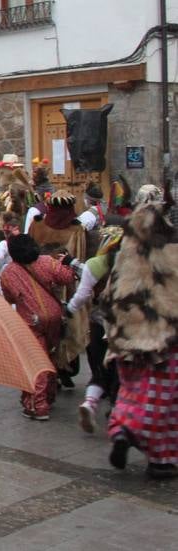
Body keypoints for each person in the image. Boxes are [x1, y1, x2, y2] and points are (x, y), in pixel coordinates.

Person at [98, 203, 178, 479]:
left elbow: (109, 300)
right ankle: (161, 458)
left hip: (128, 344)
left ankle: (122, 429)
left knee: (131, 392)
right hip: (165, 345)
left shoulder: (125, 259)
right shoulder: (171, 257)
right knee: (164, 403)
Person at [0, 234, 76, 420]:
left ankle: (38, 405)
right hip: (55, 316)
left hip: (31, 320)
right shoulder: (46, 262)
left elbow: (10, 298)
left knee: (35, 361)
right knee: (50, 356)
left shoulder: (9, 272)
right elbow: (68, 277)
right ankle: (49, 396)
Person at [68, 228, 123, 433]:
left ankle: (90, 403)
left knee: (99, 370)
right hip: (124, 326)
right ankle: (117, 410)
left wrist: (69, 309)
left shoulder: (95, 264)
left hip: (98, 322)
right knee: (120, 370)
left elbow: (82, 295)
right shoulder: (136, 264)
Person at [28, 190, 86, 263]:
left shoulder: (37, 223)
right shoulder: (77, 229)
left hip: (47, 269)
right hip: (45, 269)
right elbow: (79, 258)